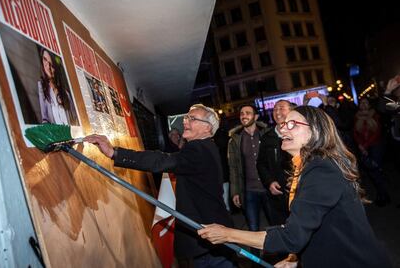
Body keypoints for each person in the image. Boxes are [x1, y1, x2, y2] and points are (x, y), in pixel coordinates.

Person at [198, 106, 392, 268]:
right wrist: (295, 259)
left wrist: (227, 234)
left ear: (316, 131)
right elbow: (310, 225)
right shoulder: (306, 167)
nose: (282, 130)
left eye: (292, 124)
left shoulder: (321, 170)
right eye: (282, 125)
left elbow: (292, 236)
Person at [84, 104, 235, 268]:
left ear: (208, 128)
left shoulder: (198, 148)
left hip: (209, 244)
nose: (185, 122)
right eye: (186, 117)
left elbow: (161, 161)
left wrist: (115, 153)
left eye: (192, 118)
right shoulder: (206, 147)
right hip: (212, 241)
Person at [228, 104, 270, 231]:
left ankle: (283, 251)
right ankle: (254, 252)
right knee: (253, 228)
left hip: (269, 188)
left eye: (247, 113)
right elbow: (233, 167)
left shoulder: (267, 134)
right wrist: (235, 192)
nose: (244, 116)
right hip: (249, 191)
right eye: (242, 113)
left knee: (276, 224)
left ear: (255, 116)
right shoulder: (235, 140)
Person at [256, 100, 293, 225]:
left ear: (291, 111)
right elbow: (261, 164)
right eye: (275, 109)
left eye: (281, 108)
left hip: (299, 193)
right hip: (277, 196)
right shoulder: (267, 137)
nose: (277, 112)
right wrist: (269, 182)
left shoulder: (299, 133)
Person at [354, 98, 390, 206]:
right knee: (371, 172)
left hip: (376, 146)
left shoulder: (375, 115)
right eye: (361, 103)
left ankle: (383, 195)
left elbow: (377, 132)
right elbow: (355, 132)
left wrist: (365, 145)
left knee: (376, 171)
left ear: (369, 105)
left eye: (366, 102)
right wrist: (360, 145)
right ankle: (382, 193)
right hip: (363, 148)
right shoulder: (356, 116)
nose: (363, 104)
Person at [38, 48, 77, 125]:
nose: (48, 67)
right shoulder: (41, 87)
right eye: (45, 60)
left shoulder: (66, 94)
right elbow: (45, 119)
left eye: (51, 64)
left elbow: (75, 118)